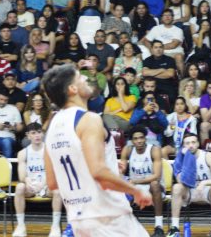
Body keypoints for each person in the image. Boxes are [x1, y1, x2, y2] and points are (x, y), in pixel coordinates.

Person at [42, 64, 152, 236]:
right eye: (80, 77)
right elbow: (99, 173)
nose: (86, 78)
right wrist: (135, 190)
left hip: (79, 219)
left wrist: (110, 164)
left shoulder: (51, 126)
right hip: (109, 217)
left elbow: (52, 182)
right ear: (73, 89)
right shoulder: (89, 119)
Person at [168, 133, 211, 237]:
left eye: (193, 142)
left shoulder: (208, 156)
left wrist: (204, 182)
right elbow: (180, 181)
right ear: (183, 146)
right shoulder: (181, 157)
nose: (190, 145)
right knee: (176, 187)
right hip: (190, 191)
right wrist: (186, 162)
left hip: (207, 191)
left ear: (198, 143)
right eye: (187, 143)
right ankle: (174, 228)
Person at [13, 123, 64, 237]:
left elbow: (54, 172)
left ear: (43, 133)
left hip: (47, 185)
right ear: (28, 135)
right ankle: (21, 226)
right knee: (19, 187)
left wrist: (43, 183)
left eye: (39, 132)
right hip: (31, 186)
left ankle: (55, 227)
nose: (37, 135)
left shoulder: (50, 150)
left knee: (57, 191)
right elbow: (21, 175)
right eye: (33, 133)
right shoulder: (23, 153)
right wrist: (27, 180)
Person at [119, 128, 165, 237]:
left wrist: (135, 181)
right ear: (132, 141)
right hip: (135, 188)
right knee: (120, 186)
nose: (139, 141)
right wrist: (121, 177)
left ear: (145, 138)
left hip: (152, 187)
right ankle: (124, 227)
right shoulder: (128, 150)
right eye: (135, 139)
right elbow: (121, 171)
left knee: (154, 184)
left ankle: (159, 227)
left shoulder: (154, 150)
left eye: (141, 138)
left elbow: (157, 176)